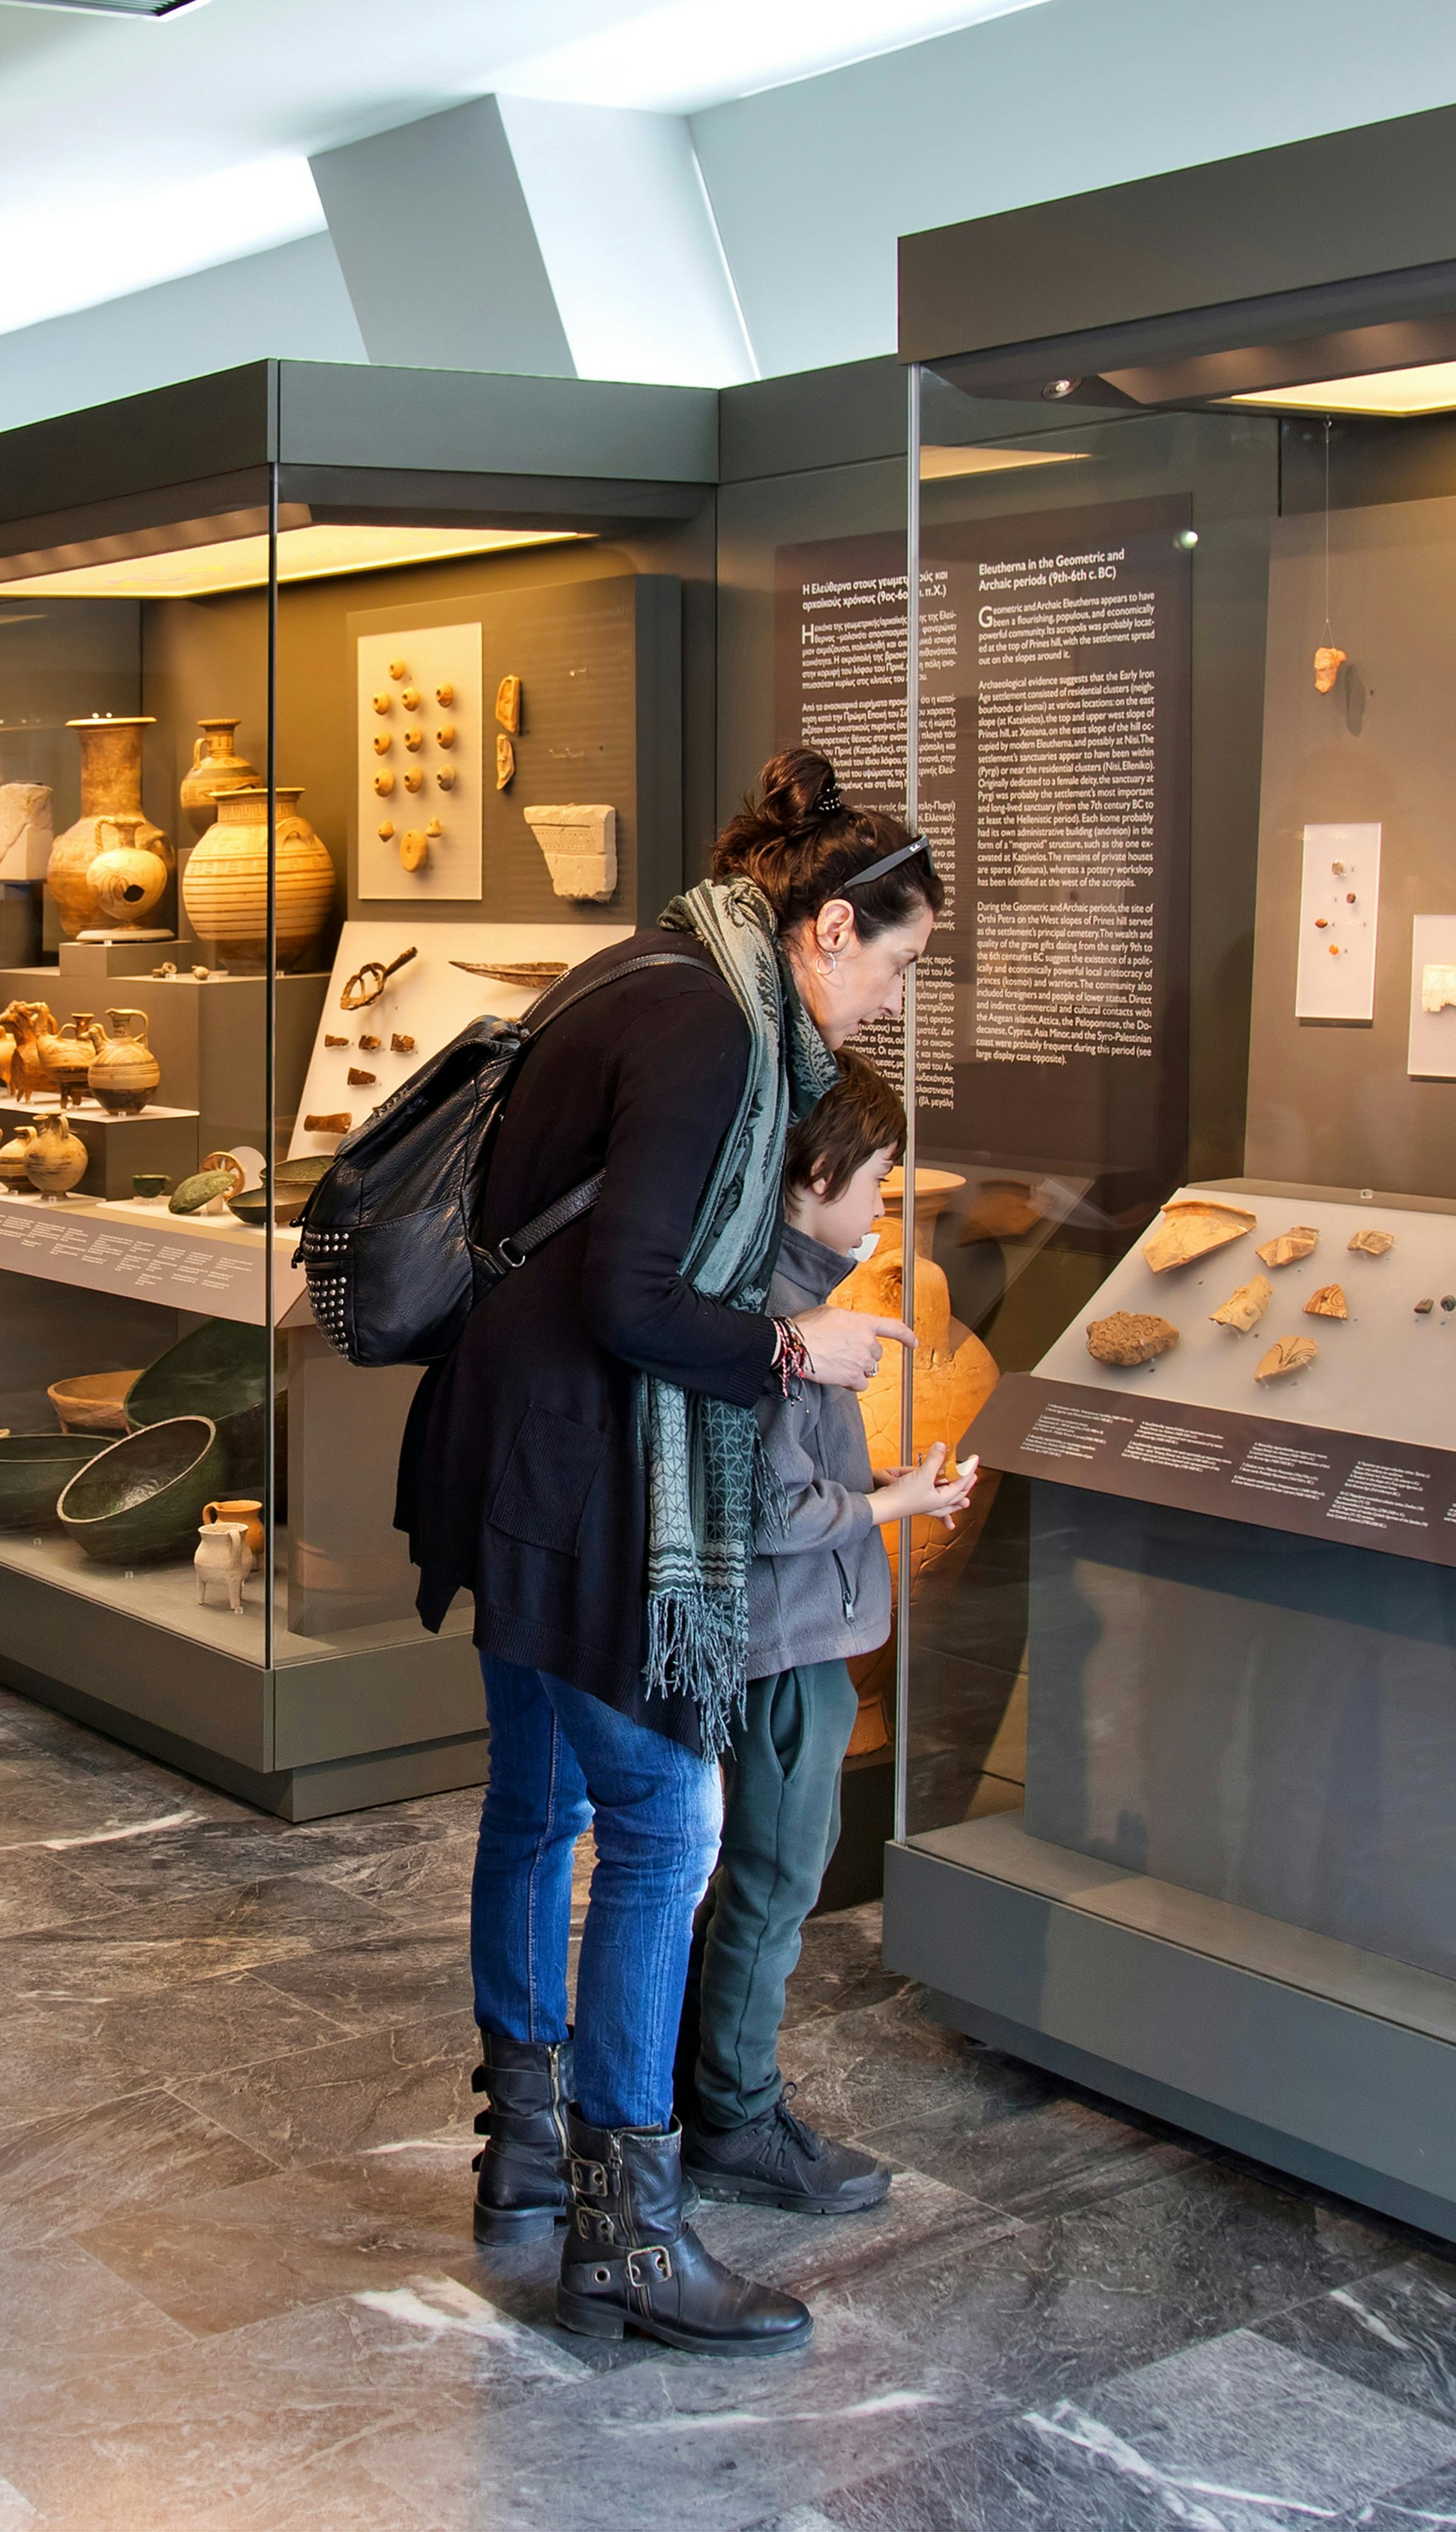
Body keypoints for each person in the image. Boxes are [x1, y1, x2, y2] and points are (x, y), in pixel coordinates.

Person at [398, 746, 943, 2360]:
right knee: (664, 1821)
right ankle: (628, 2235)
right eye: (898, 961)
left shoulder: (649, 963)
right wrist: (797, 1353)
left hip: (503, 1445)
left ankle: (526, 2156)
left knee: (540, 1797)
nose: (891, 1004)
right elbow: (638, 1297)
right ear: (833, 925)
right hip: (580, 1471)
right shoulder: (718, 1027)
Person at [674, 1051, 977, 2218]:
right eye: (878, 1184)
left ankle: (702, 2087)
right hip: (790, 1645)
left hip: (787, 1633)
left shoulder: (763, 1288)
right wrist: (892, 1506)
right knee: (774, 1878)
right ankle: (739, 2115)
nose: (883, 1209)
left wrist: (891, 1481)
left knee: (751, 1873)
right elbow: (774, 1510)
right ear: (819, 1172)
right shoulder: (784, 1316)